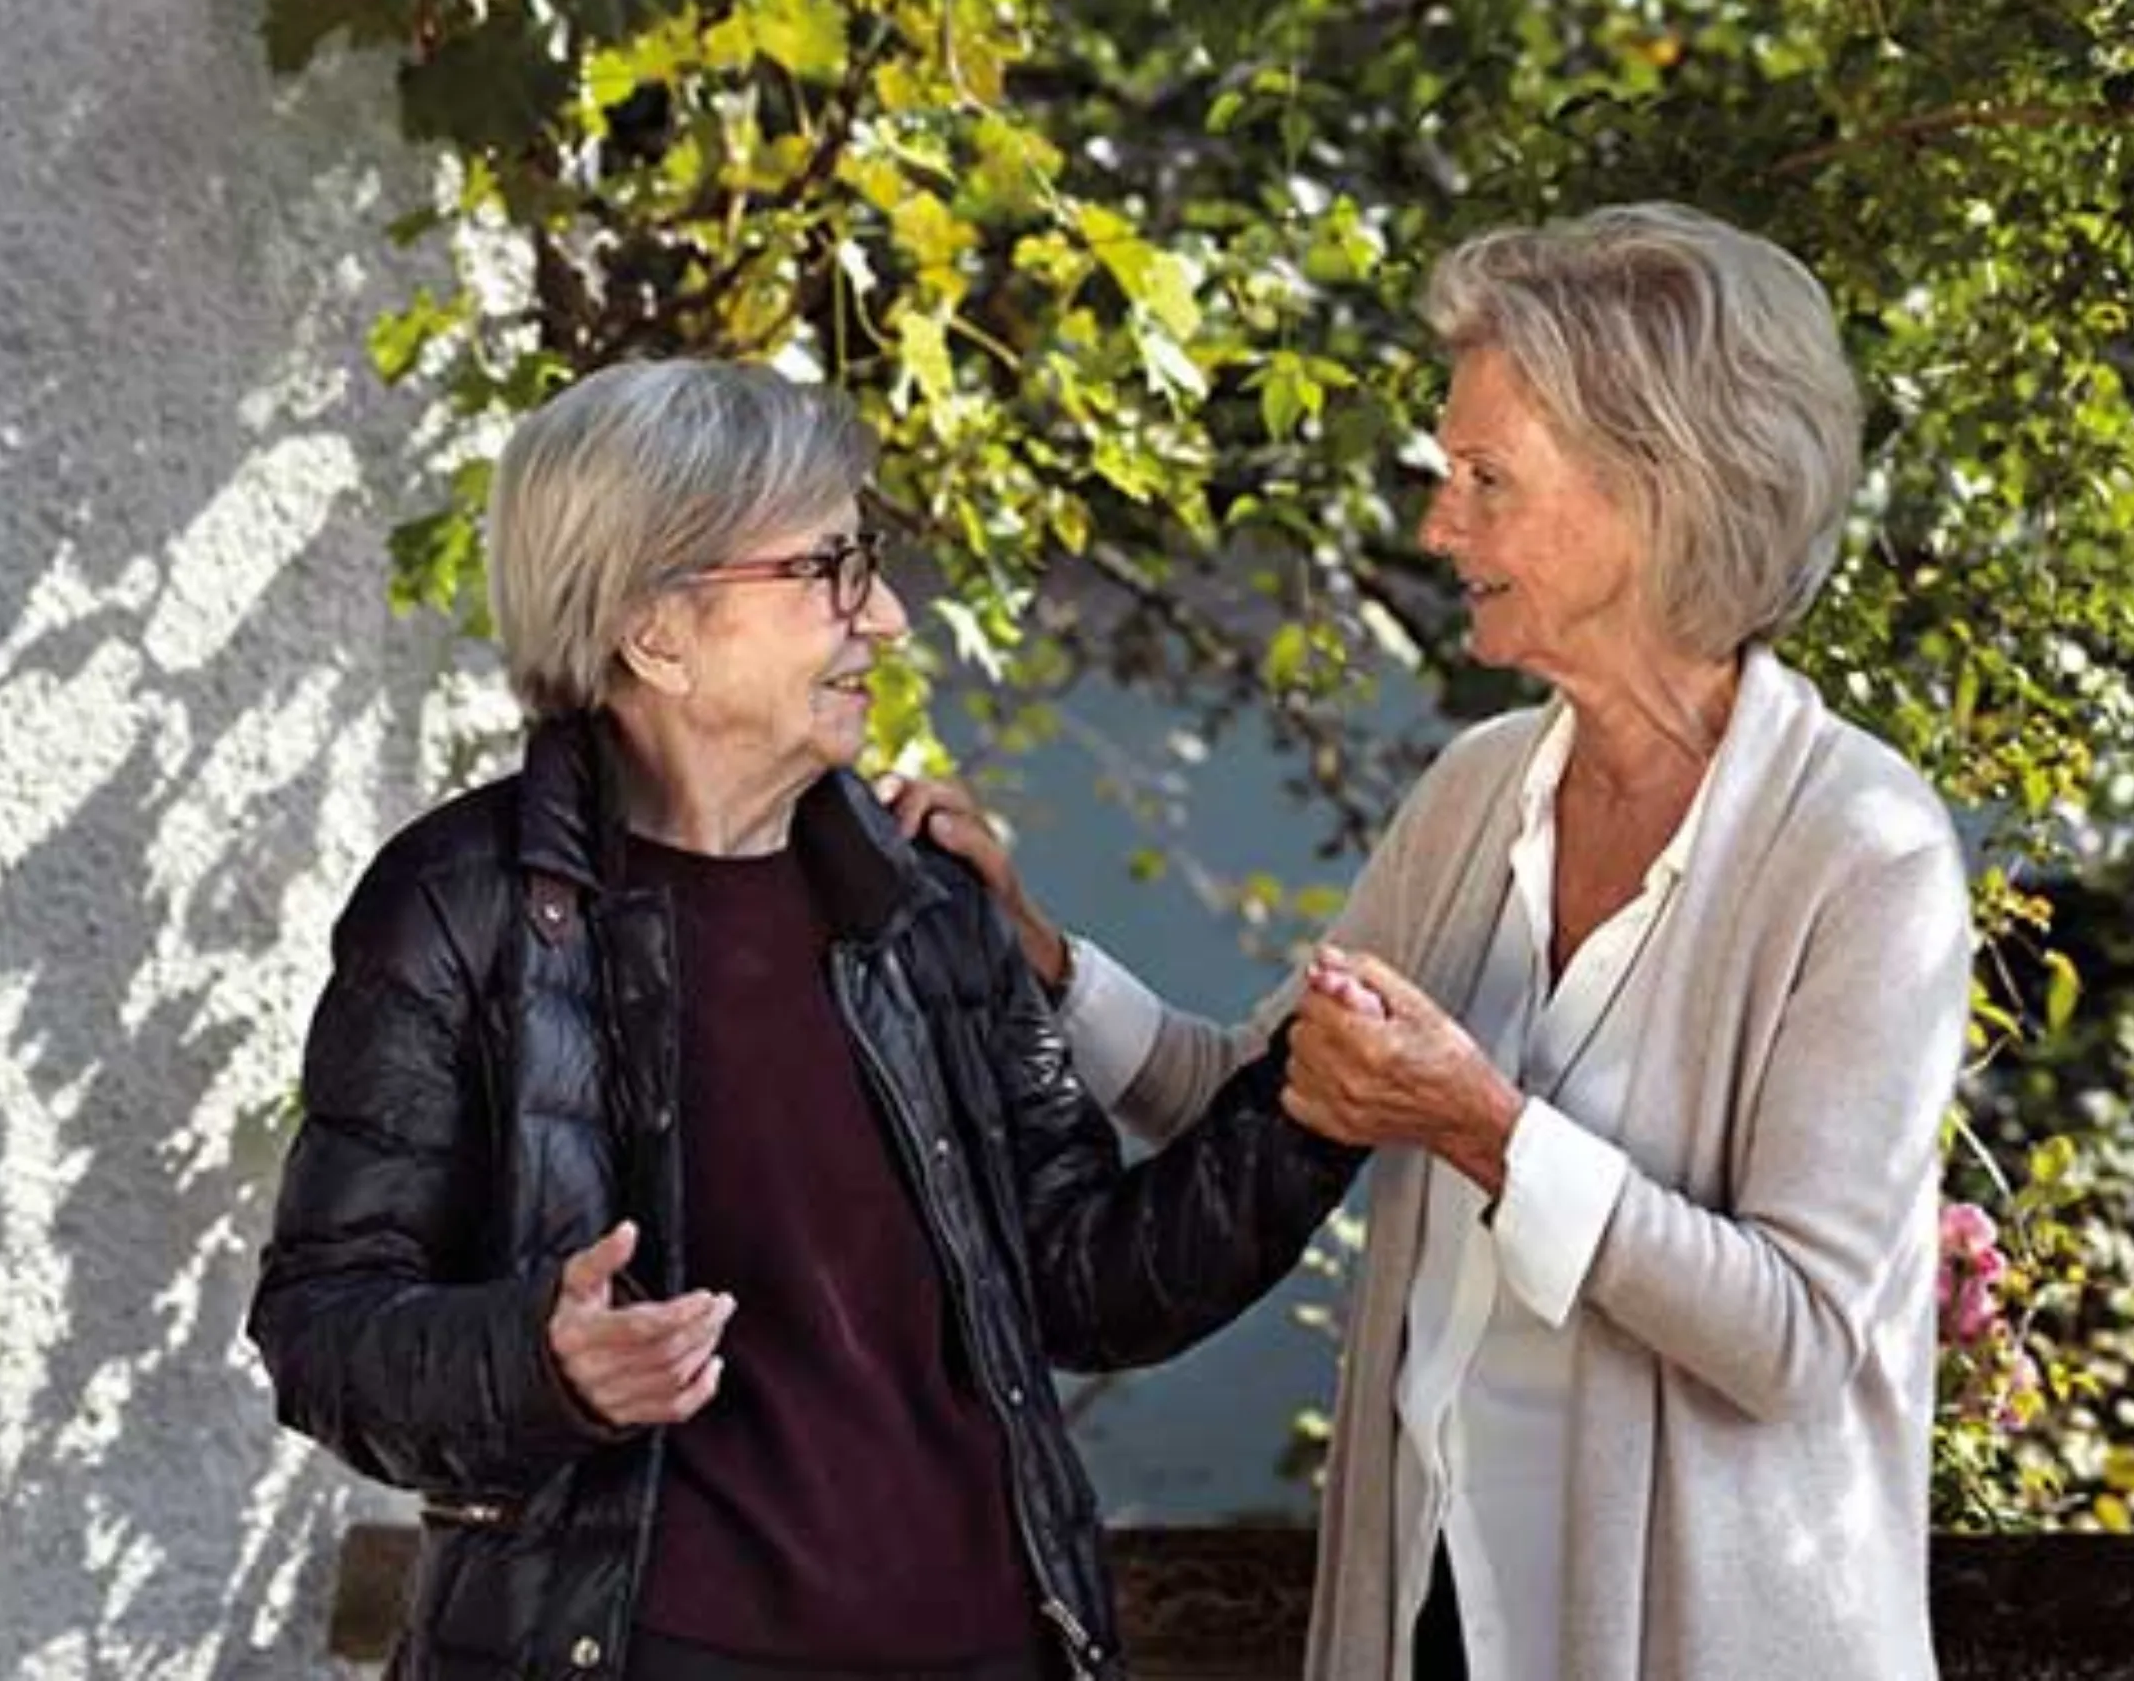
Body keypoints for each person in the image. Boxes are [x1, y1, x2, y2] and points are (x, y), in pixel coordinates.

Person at [895, 203, 1973, 1681]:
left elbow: (1793, 1335)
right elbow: (1255, 1091)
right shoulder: (1477, 792)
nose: (1437, 525)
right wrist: (1043, 959)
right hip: (1437, 1615)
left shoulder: (1865, 849)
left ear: (1655, 493)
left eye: (1484, 478)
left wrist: (1482, 1125)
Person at [245, 360, 1362, 1681]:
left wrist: (1310, 1105)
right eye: (829, 569)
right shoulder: (461, 908)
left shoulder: (923, 901)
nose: (883, 616)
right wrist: (543, 1363)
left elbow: (1077, 1280)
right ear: (658, 628)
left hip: (994, 1646)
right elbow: (323, 1325)